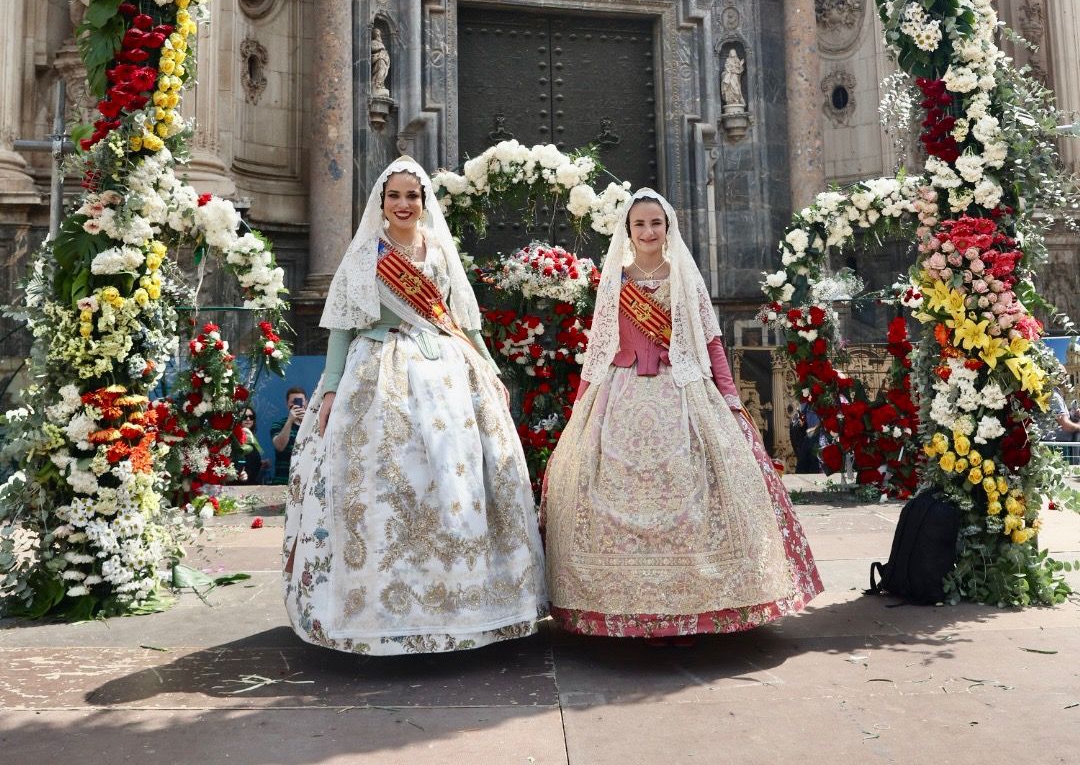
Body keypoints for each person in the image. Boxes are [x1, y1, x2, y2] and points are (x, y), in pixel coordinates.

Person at [283, 158, 547, 655]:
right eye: (395, 195)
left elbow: (462, 321)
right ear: (381, 202)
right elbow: (342, 325)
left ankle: (467, 607)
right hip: (378, 369)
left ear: (424, 203)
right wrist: (334, 386)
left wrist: (487, 367)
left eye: (413, 195)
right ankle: (378, 608)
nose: (404, 204)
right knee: (384, 480)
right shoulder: (365, 254)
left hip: (446, 368)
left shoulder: (440, 253)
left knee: (457, 478)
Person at [542, 189, 823, 637]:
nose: (648, 231)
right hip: (621, 393)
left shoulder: (684, 277)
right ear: (628, 231)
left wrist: (730, 401)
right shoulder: (614, 278)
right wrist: (580, 407)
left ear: (667, 227)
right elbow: (599, 348)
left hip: (683, 390)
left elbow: (711, 343)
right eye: (640, 225)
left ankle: (707, 600)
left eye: (656, 223)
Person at [270, 386, 307, 483]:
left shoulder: (313, 425)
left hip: (304, 483)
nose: (298, 405)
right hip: (283, 482)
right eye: (293, 402)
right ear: (287, 405)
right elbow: (279, 446)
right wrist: (290, 421)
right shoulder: (278, 425)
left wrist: (306, 422)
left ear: (306, 403)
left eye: (300, 401)